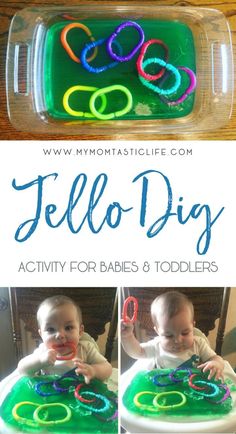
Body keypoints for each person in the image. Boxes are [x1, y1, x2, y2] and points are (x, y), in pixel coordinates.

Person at [121, 291, 225, 380]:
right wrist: (127, 336)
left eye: (185, 333)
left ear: (192, 326)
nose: (178, 340)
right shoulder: (156, 346)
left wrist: (216, 363)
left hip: (192, 387)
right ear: (157, 331)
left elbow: (215, 358)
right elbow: (136, 352)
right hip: (163, 388)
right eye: (168, 336)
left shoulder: (198, 344)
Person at [18, 295, 112, 384]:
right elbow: (22, 369)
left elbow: (107, 368)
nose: (60, 335)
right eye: (51, 329)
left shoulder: (85, 349)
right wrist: (40, 361)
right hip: (49, 394)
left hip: (80, 393)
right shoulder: (43, 352)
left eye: (68, 328)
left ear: (80, 331)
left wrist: (93, 370)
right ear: (41, 335)